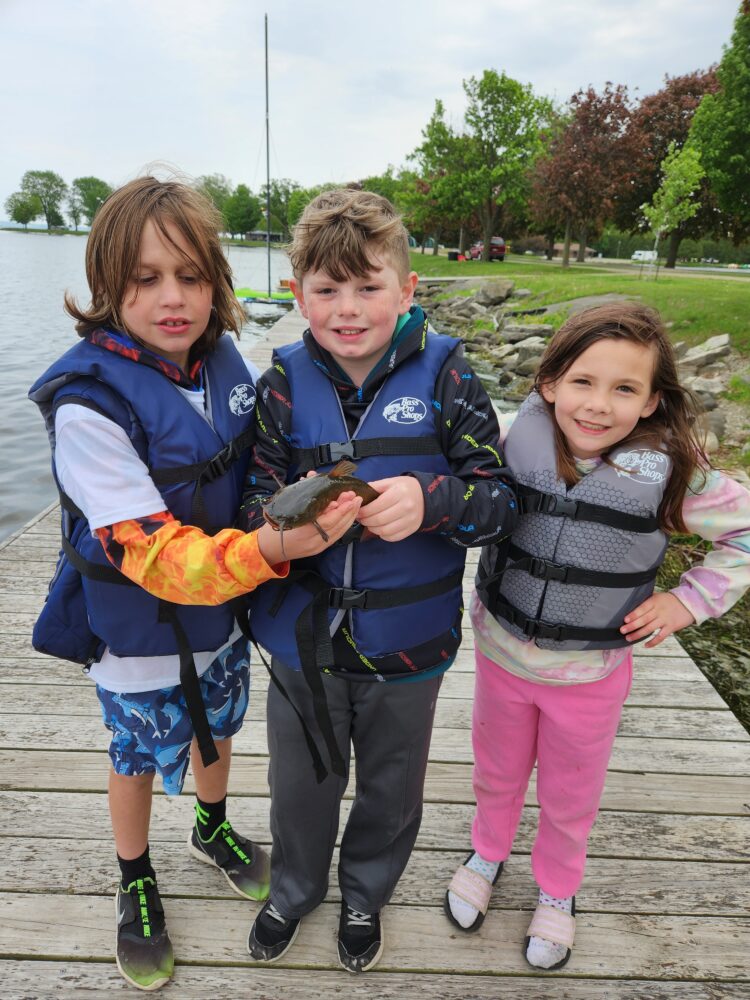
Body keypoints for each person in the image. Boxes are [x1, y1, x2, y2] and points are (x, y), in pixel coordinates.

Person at [28, 177, 361, 992]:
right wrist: (274, 546)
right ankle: (134, 874)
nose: (172, 299)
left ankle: (211, 826)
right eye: (145, 279)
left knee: (220, 723)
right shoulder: (87, 407)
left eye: (190, 276)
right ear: (107, 287)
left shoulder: (222, 361)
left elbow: (263, 456)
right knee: (136, 752)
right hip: (138, 627)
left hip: (226, 616)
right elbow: (154, 555)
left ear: (216, 280)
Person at [238, 189, 518, 973]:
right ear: (298, 296)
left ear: (406, 289)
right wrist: (284, 528)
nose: (349, 309)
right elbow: (252, 500)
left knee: (392, 789)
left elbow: (499, 504)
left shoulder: (450, 377)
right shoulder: (281, 385)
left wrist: (433, 501)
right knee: (301, 783)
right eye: (327, 290)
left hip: (409, 646)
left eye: (368, 287)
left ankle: (365, 893)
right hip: (303, 644)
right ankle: (295, 888)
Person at [445, 302, 750, 970]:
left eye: (624, 389)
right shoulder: (508, 438)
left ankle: (558, 888)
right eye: (582, 381)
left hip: (589, 678)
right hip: (501, 656)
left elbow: (744, 532)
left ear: (651, 402)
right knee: (496, 771)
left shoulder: (676, 472)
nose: (598, 405)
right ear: (549, 382)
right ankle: (488, 851)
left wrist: (687, 601)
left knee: (570, 794)